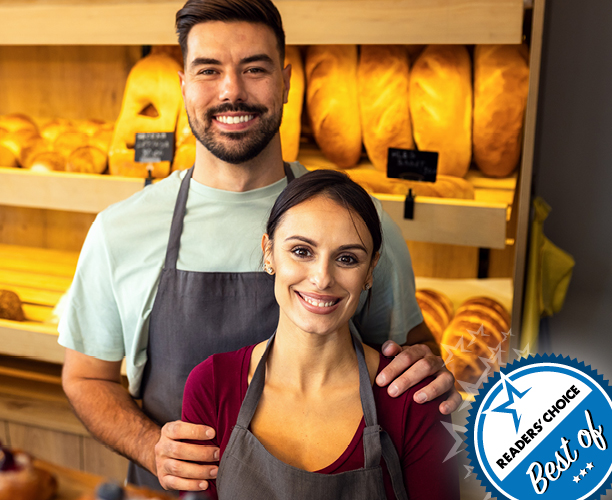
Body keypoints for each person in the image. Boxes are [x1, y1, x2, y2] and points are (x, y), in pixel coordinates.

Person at [59, 0, 461, 491]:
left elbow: (409, 347)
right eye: (209, 70)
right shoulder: (119, 231)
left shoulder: (360, 222)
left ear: (287, 81)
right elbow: (86, 378)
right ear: (183, 85)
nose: (232, 91)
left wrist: (427, 366)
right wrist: (151, 447)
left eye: (254, 69)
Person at [182, 169, 460, 500]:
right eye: (302, 251)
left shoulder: (413, 399)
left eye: (347, 258)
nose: (322, 278)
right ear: (268, 252)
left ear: (371, 270)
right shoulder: (213, 385)